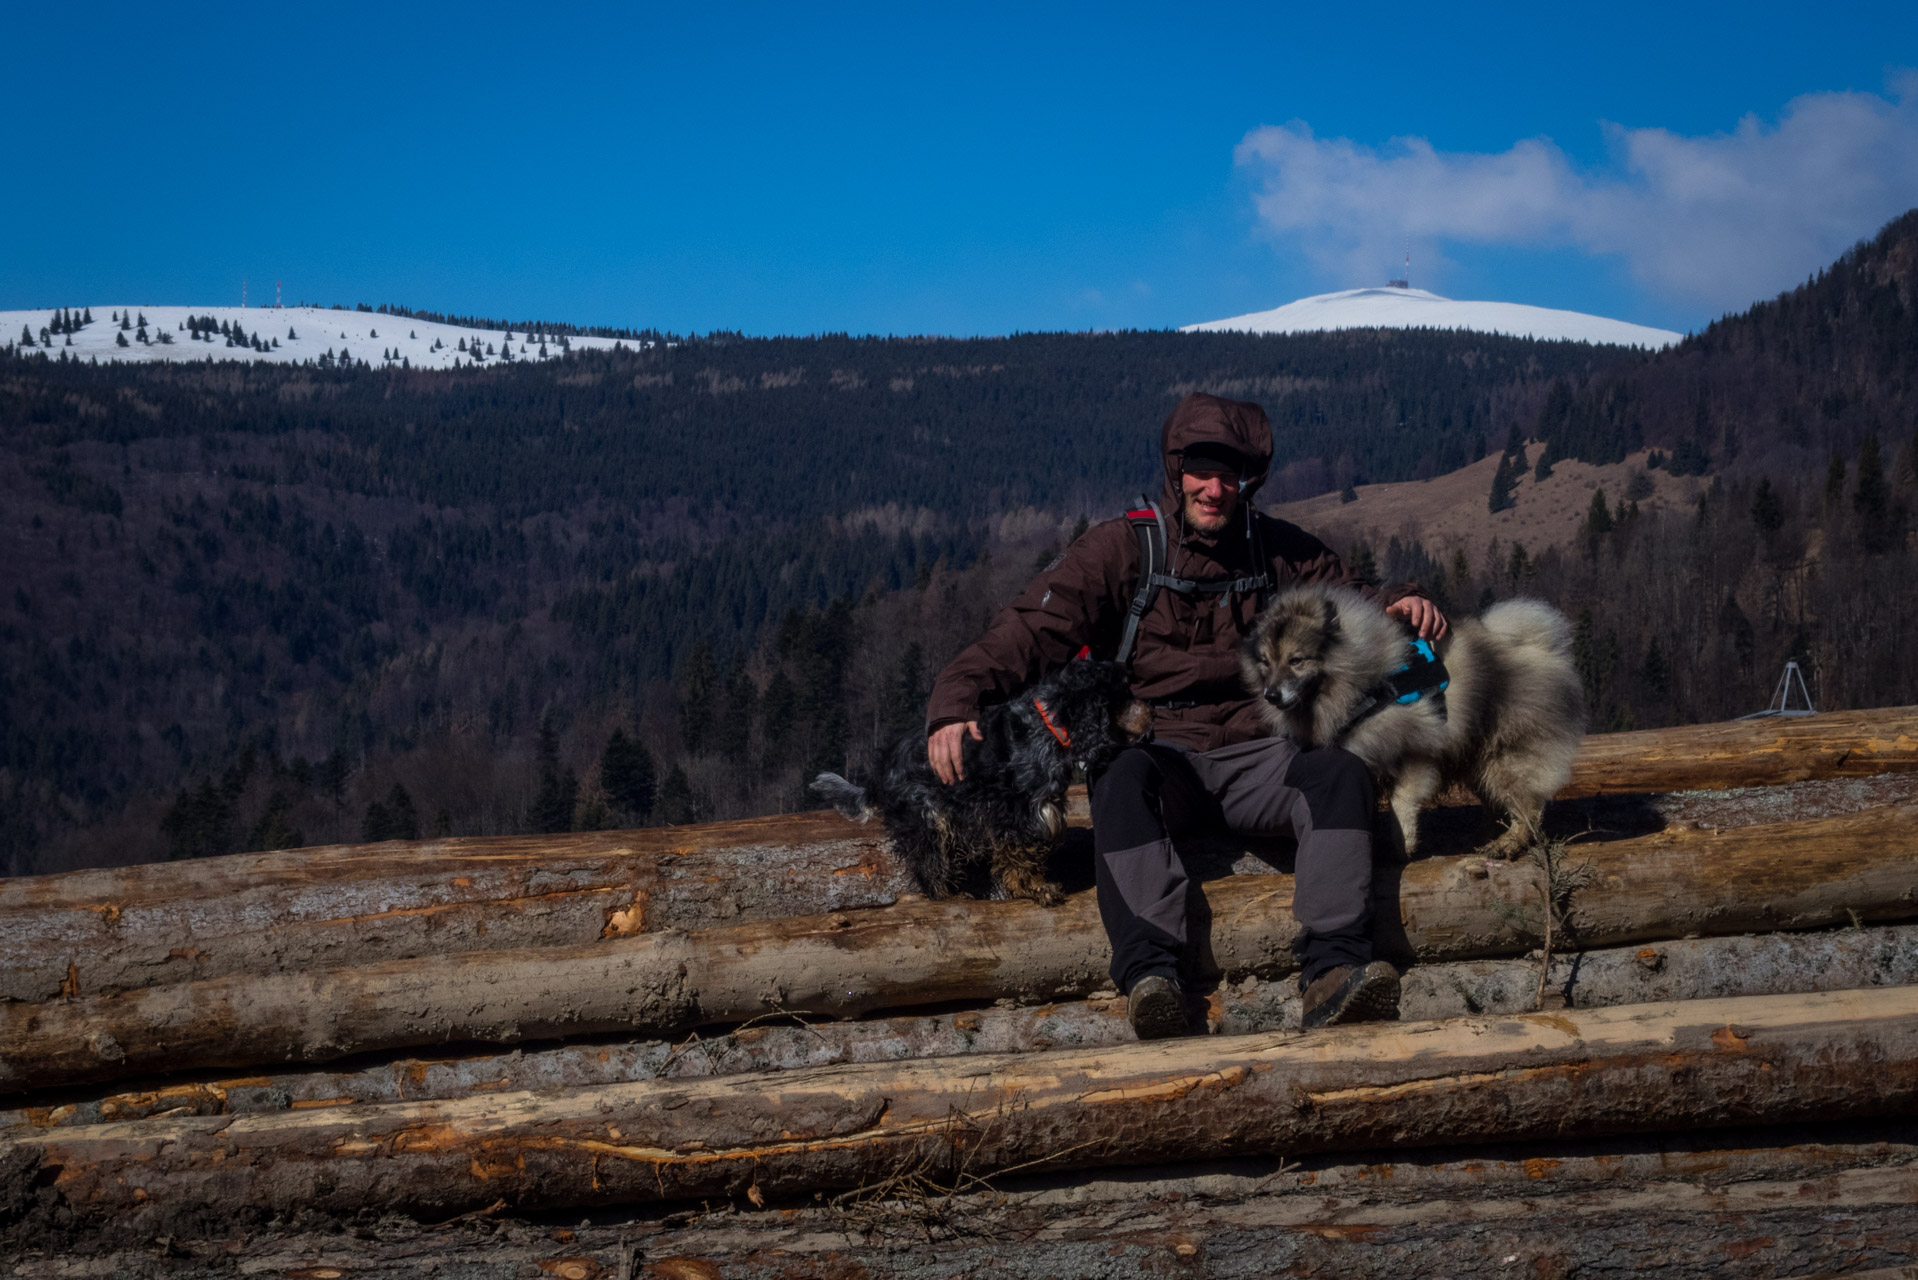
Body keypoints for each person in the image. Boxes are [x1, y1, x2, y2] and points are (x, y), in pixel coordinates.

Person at [924, 392, 1445, 1038]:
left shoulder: (1275, 551)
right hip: (1164, 751)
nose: (1215, 488)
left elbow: (1353, 593)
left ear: (1247, 480)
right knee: (1116, 775)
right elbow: (1032, 628)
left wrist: (1404, 602)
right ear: (1177, 471)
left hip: (1262, 751)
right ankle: (1152, 978)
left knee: (1339, 771)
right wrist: (956, 701)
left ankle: (1335, 972)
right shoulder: (1126, 550)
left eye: (1230, 475)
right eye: (1201, 471)